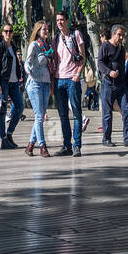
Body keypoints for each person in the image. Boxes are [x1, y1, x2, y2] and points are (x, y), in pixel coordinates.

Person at [51, 10, 88, 156]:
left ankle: (77, 145)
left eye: (62, 20)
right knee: (63, 115)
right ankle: (67, 146)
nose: (59, 22)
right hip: (59, 79)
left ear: (67, 21)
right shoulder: (56, 39)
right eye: (57, 20)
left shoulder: (76, 34)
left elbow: (83, 56)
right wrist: (53, 81)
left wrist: (78, 74)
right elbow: (54, 61)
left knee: (77, 113)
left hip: (73, 79)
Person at [0, 23, 25, 149]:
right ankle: (3, 139)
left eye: (10, 31)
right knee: (2, 110)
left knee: (19, 107)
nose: (8, 33)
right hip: (3, 82)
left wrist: (19, 75)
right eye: (5, 31)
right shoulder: (0, 47)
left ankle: (9, 133)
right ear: (2, 33)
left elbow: (16, 64)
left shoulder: (14, 46)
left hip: (14, 82)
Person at [25, 21, 54, 156]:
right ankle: (42, 146)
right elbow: (27, 62)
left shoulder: (48, 46)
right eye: (43, 29)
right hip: (35, 83)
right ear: (37, 31)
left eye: (47, 29)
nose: (46, 31)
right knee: (39, 116)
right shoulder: (34, 45)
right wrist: (29, 71)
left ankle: (30, 145)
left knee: (40, 116)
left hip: (46, 83)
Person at [98, 25, 128, 146]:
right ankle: (106, 139)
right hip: (108, 83)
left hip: (120, 84)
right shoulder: (105, 46)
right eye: (119, 35)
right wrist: (109, 72)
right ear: (113, 34)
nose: (121, 37)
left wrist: (125, 85)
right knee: (107, 113)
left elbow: (122, 66)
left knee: (125, 109)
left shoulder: (121, 48)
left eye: (122, 35)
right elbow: (100, 63)